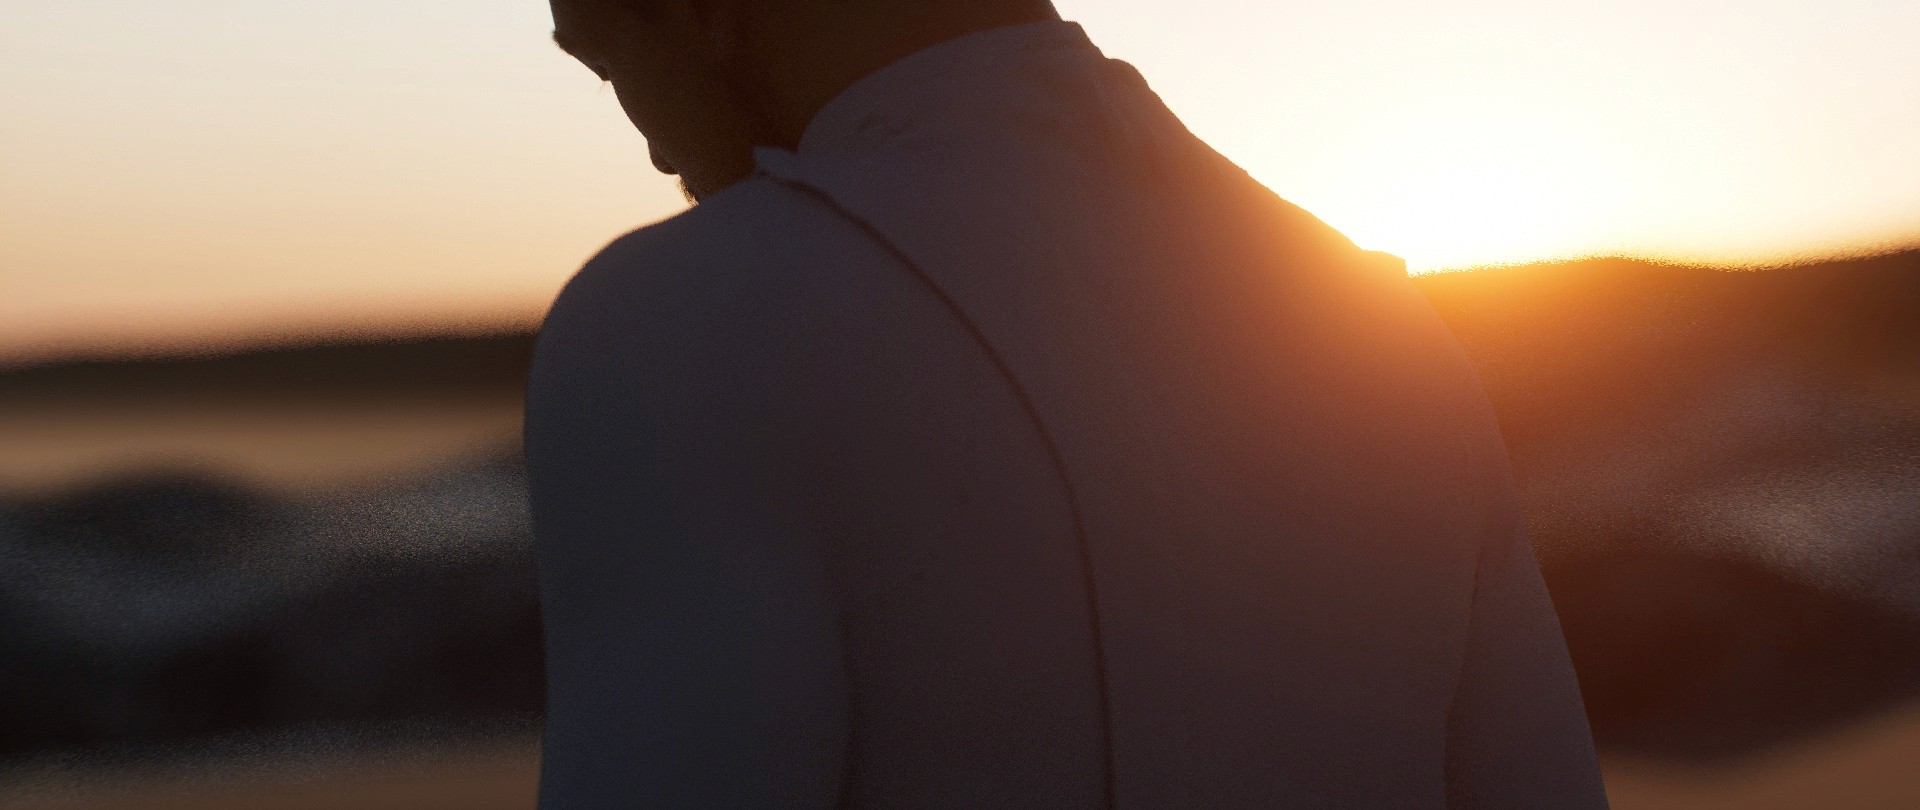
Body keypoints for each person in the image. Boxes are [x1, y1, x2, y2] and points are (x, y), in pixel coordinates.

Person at [524, 0, 1610, 806]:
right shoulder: (1389, 334)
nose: (651, 144)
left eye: (603, 55)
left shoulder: (688, 316)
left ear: (700, 12)